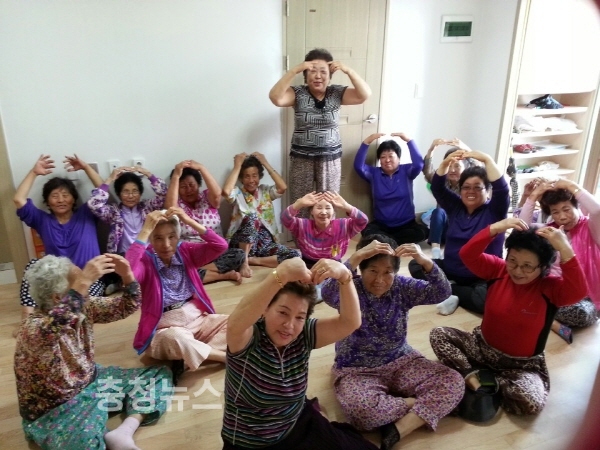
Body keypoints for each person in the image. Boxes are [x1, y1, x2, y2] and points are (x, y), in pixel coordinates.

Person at [430, 218, 587, 419]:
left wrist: (564, 248)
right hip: (481, 348)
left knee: (529, 402)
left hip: (521, 365)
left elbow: (579, 291)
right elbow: (467, 254)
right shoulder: (498, 270)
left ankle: (488, 381)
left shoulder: (551, 288)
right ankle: (472, 375)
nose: (518, 271)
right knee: (439, 335)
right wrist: (495, 228)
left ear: (543, 267)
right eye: (512, 260)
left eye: (528, 266)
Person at [14, 253, 172, 450]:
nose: (87, 289)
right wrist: (83, 282)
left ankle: (124, 431)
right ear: (58, 298)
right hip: (57, 410)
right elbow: (55, 325)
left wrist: (127, 276)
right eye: (81, 284)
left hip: (93, 382)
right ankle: (97, 430)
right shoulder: (34, 328)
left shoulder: (83, 306)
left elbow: (126, 306)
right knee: (86, 444)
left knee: (157, 376)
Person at [321, 235, 463, 450]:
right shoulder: (350, 287)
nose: (380, 280)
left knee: (453, 381)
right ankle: (417, 403)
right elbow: (327, 292)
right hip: (357, 370)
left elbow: (442, 292)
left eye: (387, 272)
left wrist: (424, 260)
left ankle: (400, 429)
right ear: (361, 269)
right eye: (373, 271)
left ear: (395, 272)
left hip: (401, 360)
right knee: (361, 413)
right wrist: (356, 256)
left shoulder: (401, 287)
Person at [221, 257, 379, 450]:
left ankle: (317, 415)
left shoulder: (304, 334)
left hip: (296, 423)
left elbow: (350, 322)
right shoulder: (248, 338)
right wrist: (280, 274)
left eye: (299, 317)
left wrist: (345, 276)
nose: (289, 325)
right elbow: (235, 324)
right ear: (265, 309)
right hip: (250, 442)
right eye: (283, 312)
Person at [126, 208, 229, 384]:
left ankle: (187, 356)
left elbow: (220, 245)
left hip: (198, 319)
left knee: (235, 323)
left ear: (178, 236)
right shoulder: (145, 259)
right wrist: (145, 230)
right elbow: (129, 271)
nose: (166, 244)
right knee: (175, 338)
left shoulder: (186, 251)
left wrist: (188, 221)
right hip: (166, 328)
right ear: (150, 238)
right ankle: (222, 357)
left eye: (171, 237)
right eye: (158, 238)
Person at [269, 48, 371, 212]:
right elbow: (276, 98)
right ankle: (301, 230)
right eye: (312, 71)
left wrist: (348, 71)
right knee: (300, 204)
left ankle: (327, 231)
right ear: (305, 75)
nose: (318, 76)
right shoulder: (298, 93)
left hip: (330, 158)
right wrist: (294, 70)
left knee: (328, 206)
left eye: (323, 72)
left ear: (330, 76)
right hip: (301, 158)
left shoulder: (336, 92)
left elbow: (364, 95)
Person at [409, 149, 509, 315]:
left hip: (480, 278)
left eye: (477, 188)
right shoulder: (455, 206)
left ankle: (449, 289)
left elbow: (503, 189)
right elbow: (437, 188)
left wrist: (487, 159)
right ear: (460, 190)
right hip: (451, 268)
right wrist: (445, 163)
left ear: (487, 190)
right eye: (466, 187)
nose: (471, 191)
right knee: (415, 264)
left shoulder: (495, 210)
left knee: (485, 300)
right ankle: (453, 290)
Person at [14, 154, 105, 328]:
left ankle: (63, 317)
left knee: (85, 305)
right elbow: (19, 199)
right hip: (58, 282)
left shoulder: (87, 213)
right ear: (47, 201)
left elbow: (103, 193)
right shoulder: (42, 220)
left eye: (65, 195)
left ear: (74, 199)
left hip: (88, 278)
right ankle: (26, 320)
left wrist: (86, 167)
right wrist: (34, 172)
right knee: (33, 266)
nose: (61, 200)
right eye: (55, 196)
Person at [519, 178, 599, 343]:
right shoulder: (549, 230)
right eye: (555, 212)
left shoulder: (591, 227)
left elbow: (597, 211)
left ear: (577, 207)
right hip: (556, 291)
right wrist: (533, 196)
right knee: (524, 290)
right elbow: (522, 228)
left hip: (585, 295)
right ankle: (550, 320)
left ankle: (543, 316)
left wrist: (571, 186)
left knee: (584, 314)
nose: (562, 217)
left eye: (566, 209)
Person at [164, 160, 245, 284]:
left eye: (191, 185)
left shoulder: (207, 197)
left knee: (238, 254)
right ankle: (221, 275)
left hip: (216, 251)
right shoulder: (177, 205)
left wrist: (201, 168)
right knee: (175, 269)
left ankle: (194, 273)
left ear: (198, 184)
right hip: (193, 255)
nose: (188, 190)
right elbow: (170, 208)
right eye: (183, 187)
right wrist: (176, 175)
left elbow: (217, 195)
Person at [223, 152, 300, 278]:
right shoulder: (237, 192)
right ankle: (243, 261)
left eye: (255, 176)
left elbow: (282, 187)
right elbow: (226, 192)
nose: (251, 180)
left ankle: (254, 260)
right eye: (247, 176)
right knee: (252, 217)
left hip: (264, 245)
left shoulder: (265, 191)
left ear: (259, 176)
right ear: (241, 178)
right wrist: (237, 166)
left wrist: (265, 163)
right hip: (241, 244)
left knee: (295, 255)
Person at [354, 132, 429, 245]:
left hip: (406, 224)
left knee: (423, 232)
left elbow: (419, 164)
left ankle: (387, 242)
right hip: (382, 225)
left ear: (398, 158)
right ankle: (393, 242)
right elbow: (358, 166)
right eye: (383, 157)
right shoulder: (373, 174)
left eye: (391, 156)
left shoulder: (407, 171)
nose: (387, 160)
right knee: (366, 231)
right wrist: (367, 142)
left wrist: (408, 140)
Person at [88, 165, 167, 253]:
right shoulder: (114, 213)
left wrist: (148, 174)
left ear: (140, 193)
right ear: (119, 194)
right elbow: (94, 204)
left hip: (148, 254)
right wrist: (109, 179)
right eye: (126, 192)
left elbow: (163, 194)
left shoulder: (148, 208)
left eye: (135, 191)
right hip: (124, 255)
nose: (130, 196)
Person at [281, 190, 368, 268]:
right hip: (308, 265)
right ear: (311, 211)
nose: (323, 212)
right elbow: (285, 218)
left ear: (333, 211)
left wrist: (347, 206)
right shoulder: (302, 226)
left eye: (328, 208)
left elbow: (363, 220)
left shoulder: (343, 226)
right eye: (319, 208)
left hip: (334, 265)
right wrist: (299, 204)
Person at [422, 138, 474, 259]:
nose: (452, 170)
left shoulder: (470, 184)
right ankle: (435, 252)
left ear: (466, 167)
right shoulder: (441, 181)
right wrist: (431, 149)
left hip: (463, 231)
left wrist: (466, 149)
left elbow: (480, 167)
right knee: (438, 212)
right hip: (445, 231)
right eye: (449, 165)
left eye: (457, 166)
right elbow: (427, 171)